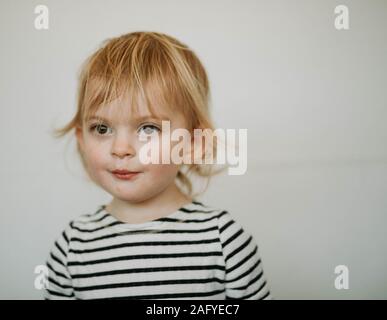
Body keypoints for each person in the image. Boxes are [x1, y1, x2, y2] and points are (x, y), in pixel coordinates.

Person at [45, 31, 272, 300]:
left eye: (148, 128)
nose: (120, 149)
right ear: (82, 138)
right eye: (102, 128)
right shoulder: (73, 246)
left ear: (193, 142)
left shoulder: (223, 241)